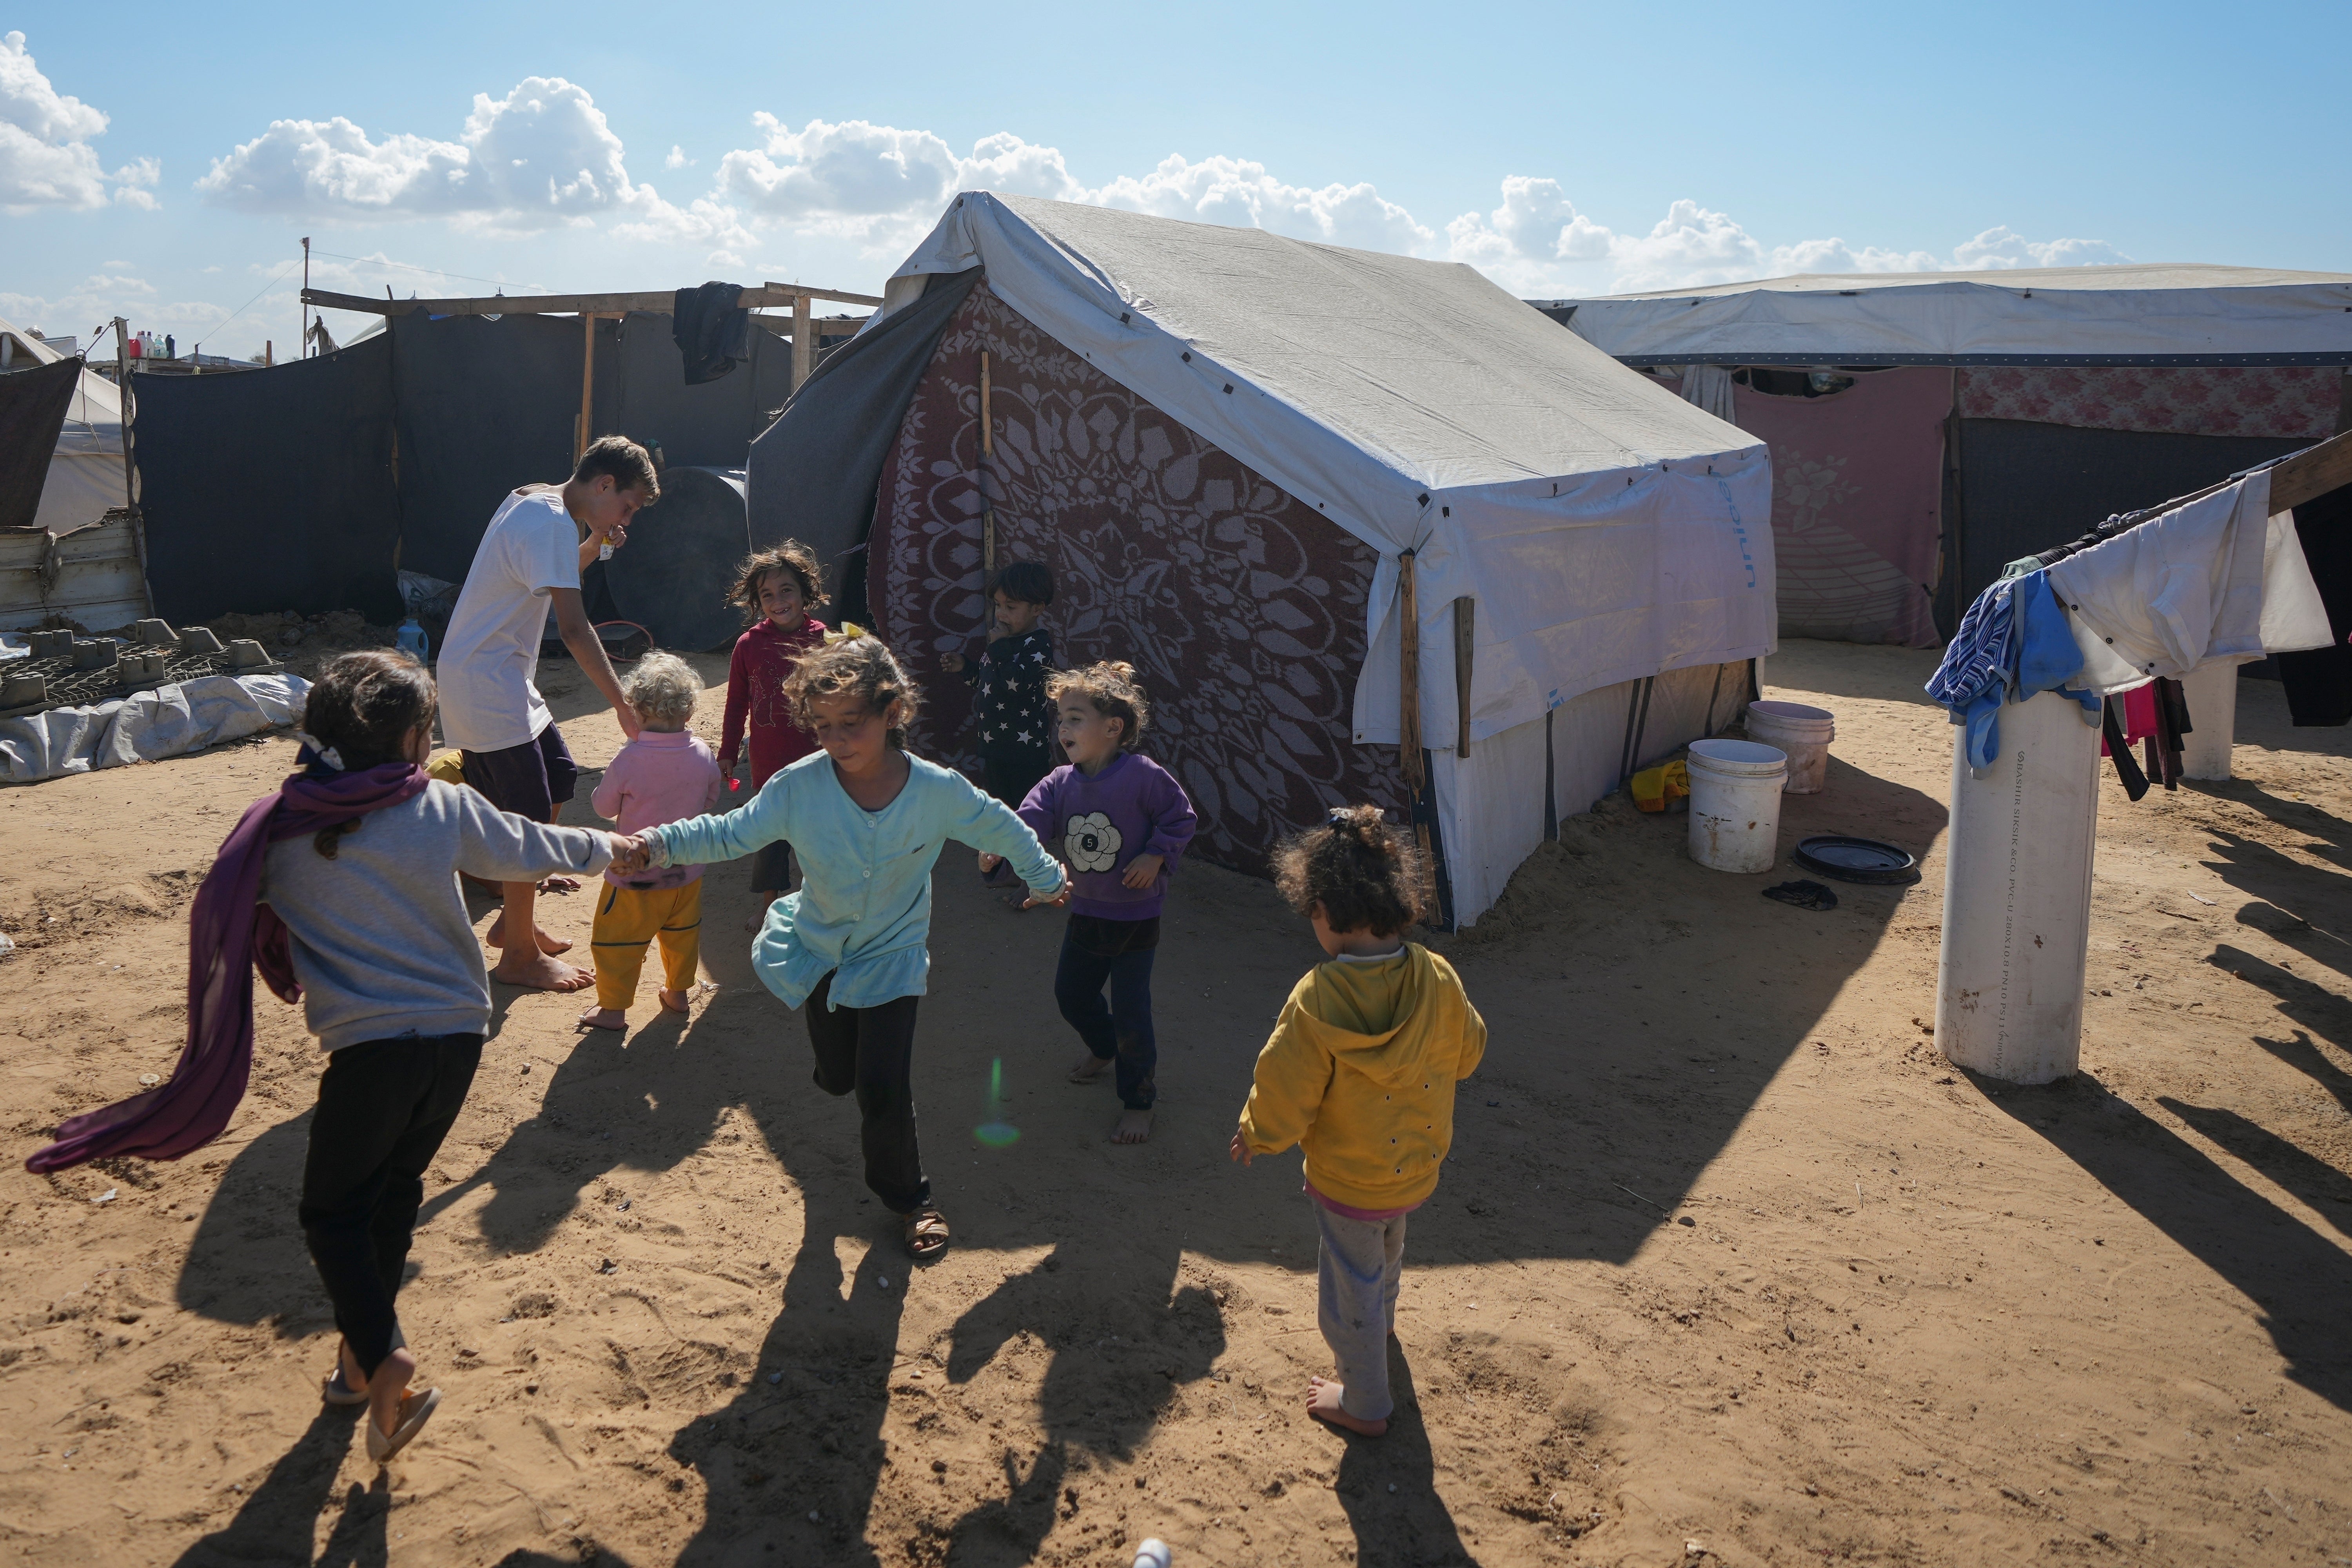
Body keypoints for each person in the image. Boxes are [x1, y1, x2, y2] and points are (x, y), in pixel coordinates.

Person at [610, 636, 1066, 1260]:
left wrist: (1047, 879)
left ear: (893, 712)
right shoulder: (799, 787)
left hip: (894, 958)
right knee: (838, 1078)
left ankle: (910, 1200)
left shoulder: (938, 791)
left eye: (852, 724)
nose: (837, 740)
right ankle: (836, 1069)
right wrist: (657, 842)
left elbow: (1003, 826)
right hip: (819, 948)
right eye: (823, 727)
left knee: (883, 1087)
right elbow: (729, 833)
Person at [265, 653, 617, 1459]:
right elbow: (533, 846)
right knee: (393, 1192)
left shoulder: (284, 832)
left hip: (369, 1052)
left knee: (334, 1211)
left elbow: (233, 902)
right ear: (418, 738)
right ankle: (360, 1367)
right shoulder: (445, 807)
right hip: (457, 1042)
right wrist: (615, 848)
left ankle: (385, 1355)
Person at [1228, 806, 1486, 1438]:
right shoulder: (1438, 975)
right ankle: (1386, 1319)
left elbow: (1286, 1087)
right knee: (1388, 1249)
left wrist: (1258, 1132)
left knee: (1351, 1291)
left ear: (1321, 910)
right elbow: (1470, 1050)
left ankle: (1365, 1402)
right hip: (1417, 1165)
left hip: (1349, 1179)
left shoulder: (1318, 998)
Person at [434, 435, 659, 992]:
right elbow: (576, 628)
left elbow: (554, 571)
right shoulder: (550, 522)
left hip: (504, 677)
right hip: (483, 683)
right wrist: (624, 707)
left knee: (558, 776)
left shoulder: (539, 500)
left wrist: (598, 542)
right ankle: (518, 956)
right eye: (627, 504)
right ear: (604, 483)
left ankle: (518, 917)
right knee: (527, 808)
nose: (628, 515)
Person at [1003, 661, 1196, 1144]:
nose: (1063, 727)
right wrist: (999, 848)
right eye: (1061, 718)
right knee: (1072, 996)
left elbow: (1180, 817)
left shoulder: (1144, 776)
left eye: (1075, 717)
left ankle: (1138, 1101)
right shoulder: (1058, 783)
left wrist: (1156, 855)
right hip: (1087, 911)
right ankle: (1103, 1047)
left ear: (1113, 728)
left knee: (1133, 1012)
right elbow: (1028, 825)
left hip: (1136, 917)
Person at [581, 653, 723, 1031]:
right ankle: (677, 993)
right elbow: (711, 798)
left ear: (638, 713)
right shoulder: (703, 755)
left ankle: (613, 1010)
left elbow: (602, 806)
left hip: (634, 873)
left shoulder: (629, 760)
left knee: (617, 942)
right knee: (682, 936)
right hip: (686, 873)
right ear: (688, 713)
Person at [717, 541, 828, 932]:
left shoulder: (826, 641)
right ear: (756, 601)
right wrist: (728, 751)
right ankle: (769, 906)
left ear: (805, 593)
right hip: (768, 763)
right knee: (771, 839)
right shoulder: (749, 645)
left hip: (819, 762)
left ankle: (821, 905)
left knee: (819, 838)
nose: (778, 601)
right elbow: (736, 703)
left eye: (787, 591)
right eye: (768, 595)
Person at [941, 560, 1057, 815]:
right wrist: (966, 668)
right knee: (1000, 810)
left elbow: (1017, 685)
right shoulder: (1001, 645)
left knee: (1027, 813)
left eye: (1011, 607)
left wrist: (999, 648)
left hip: (1024, 752)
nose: (1001, 614)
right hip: (995, 746)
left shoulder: (1037, 646)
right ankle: (1000, 854)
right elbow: (989, 685)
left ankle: (1028, 854)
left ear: (1037, 608)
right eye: (998, 605)